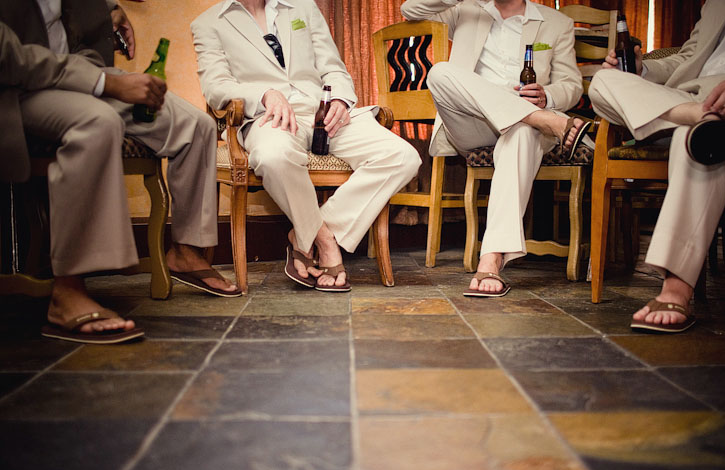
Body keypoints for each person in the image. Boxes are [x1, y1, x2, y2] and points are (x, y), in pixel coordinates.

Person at [0, 0, 242, 344]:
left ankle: (186, 251)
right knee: (98, 124)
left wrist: (109, 8)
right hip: (18, 88)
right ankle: (67, 292)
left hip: (78, 75)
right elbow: (8, 56)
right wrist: (103, 82)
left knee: (197, 125)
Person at [191, 0, 421, 292]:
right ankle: (325, 241)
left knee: (402, 156)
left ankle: (302, 238)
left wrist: (339, 99)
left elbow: (333, 69)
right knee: (273, 156)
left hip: (324, 113)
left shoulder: (303, 7)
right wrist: (265, 94)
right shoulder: (208, 22)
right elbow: (215, 86)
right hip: (269, 116)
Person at [588, 0, 725, 333]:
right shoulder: (718, 3)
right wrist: (640, 71)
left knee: (691, 141)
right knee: (602, 82)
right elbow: (686, 57)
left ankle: (676, 288)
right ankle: (703, 121)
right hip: (681, 103)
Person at [401, 0, 590, 297]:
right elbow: (410, 9)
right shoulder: (464, 10)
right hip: (474, 124)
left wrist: (547, 96)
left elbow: (571, 84)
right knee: (440, 72)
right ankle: (543, 121)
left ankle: (491, 258)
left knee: (523, 129)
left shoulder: (555, 22)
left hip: (525, 123)